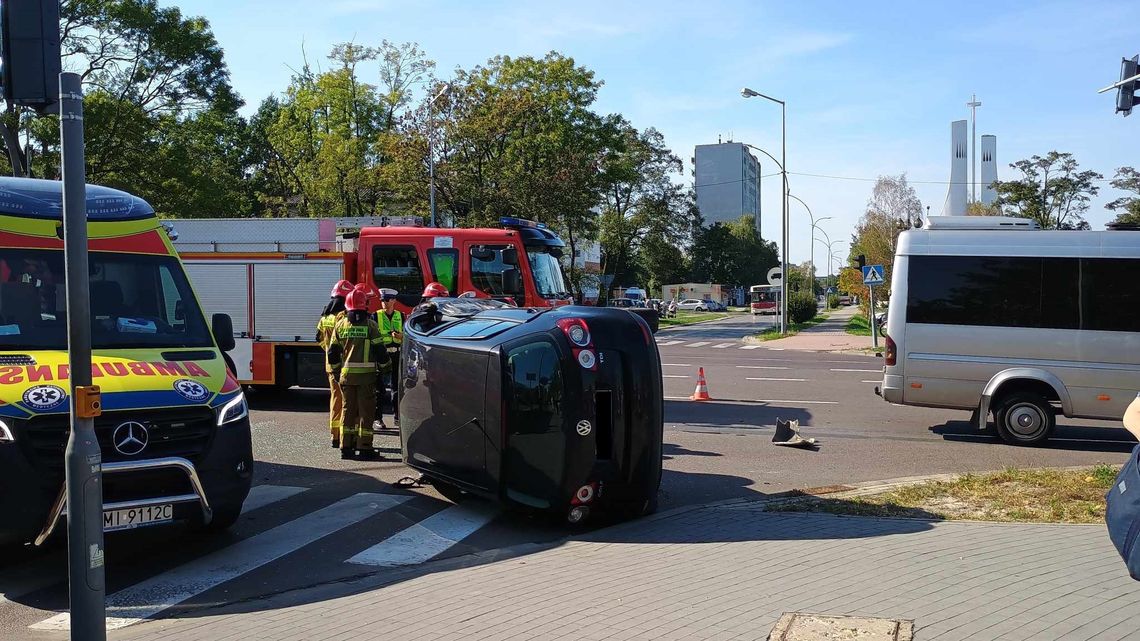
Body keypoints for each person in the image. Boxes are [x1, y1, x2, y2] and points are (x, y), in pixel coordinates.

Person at [327, 284, 389, 460]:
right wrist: (387, 368)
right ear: (365, 305)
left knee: (347, 411)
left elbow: (332, 353)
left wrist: (338, 373)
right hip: (367, 378)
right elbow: (380, 351)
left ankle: (345, 448)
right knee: (366, 413)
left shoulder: (340, 325)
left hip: (346, 378)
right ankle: (365, 448)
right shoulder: (371, 325)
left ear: (347, 307)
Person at [317, 279, 354, 448]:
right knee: (346, 401)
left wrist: (327, 351)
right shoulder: (343, 318)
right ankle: (344, 436)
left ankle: (334, 435)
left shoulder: (325, 317)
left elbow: (318, 338)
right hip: (344, 364)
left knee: (335, 399)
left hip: (329, 365)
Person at [376, 288, 403, 428]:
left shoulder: (401, 315)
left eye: (386, 300)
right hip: (382, 355)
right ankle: (378, 419)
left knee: (396, 388)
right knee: (379, 389)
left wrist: (401, 337)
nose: (383, 303)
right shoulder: (375, 316)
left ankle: (397, 417)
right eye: (382, 300)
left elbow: (408, 336)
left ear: (393, 301)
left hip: (396, 354)